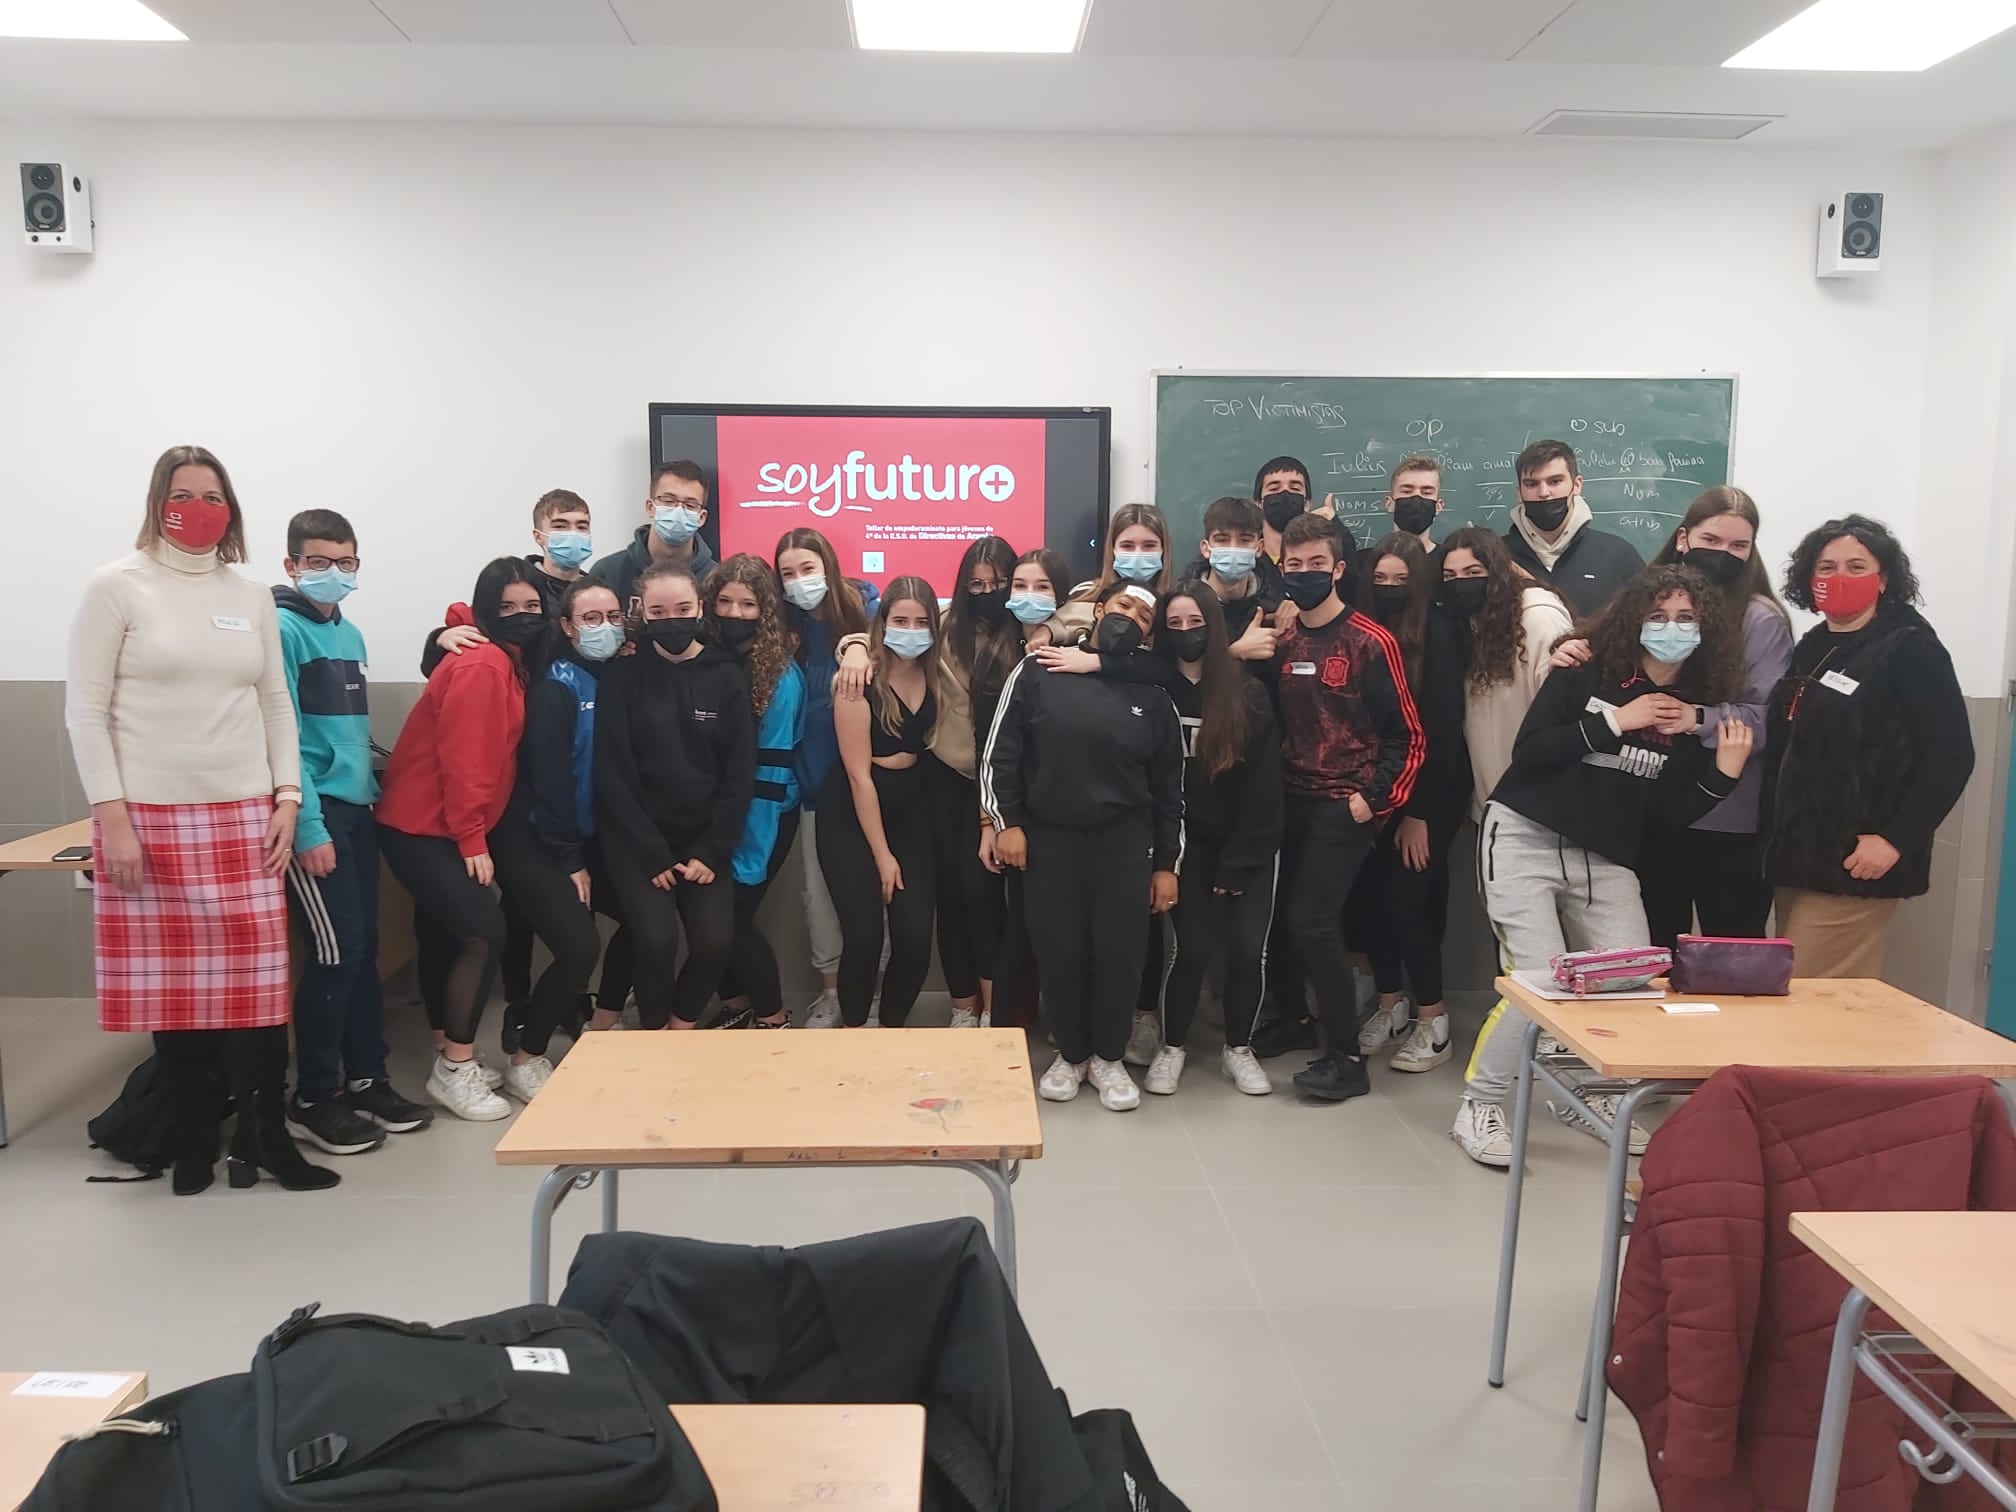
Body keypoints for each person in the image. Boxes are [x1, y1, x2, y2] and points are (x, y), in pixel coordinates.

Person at [66, 445, 335, 1194]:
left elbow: (274, 701)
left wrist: (287, 797)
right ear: (159, 503)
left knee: (257, 993)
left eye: (213, 496)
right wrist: (112, 820)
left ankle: (265, 1138)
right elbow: (85, 711)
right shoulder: (115, 587)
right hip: (148, 820)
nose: (199, 508)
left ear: (231, 508)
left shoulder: (248, 594)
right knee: (176, 996)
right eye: (183, 494)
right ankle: (191, 1141)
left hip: (245, 815)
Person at [1454, 565, 1755, 1166]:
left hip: (1606, 857)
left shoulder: (1691, 711)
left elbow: (1665, 816)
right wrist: (1618, 720)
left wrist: (1723, 775)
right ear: (1634, 619)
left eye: (1686, 618)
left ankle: (1588, 1095)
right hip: (1524, 836)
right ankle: (1480, 1103)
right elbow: (1531, 753)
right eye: (1659, 616)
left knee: (1629, 980)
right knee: (1536, 984)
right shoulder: (1583, 669)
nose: (1671, 628)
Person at [1553, 486, 1794, 944]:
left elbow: (1768, 720)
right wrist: (1569, 649)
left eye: (1738, 545)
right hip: (1647, 806)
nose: (1723, 554)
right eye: (1711, 540)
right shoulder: (1649, 597)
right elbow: (1601, 648)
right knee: (1651, 949)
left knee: (1732, 950)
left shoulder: (1760, 620)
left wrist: (1697, 718)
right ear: (1684, 538)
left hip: (1727, 818)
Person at [983, 581, 1185, 1111]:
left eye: (1144, 617)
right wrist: (1006, 822)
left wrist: (1167, 864)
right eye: (1123, 606)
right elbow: (1001, 754)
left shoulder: (1154, 695)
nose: (1130, 618)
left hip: (1125, 844)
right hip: (1049, 839)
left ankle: (1109, 1057)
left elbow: (1170, 792)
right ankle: (1071, 1054)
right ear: (1098, 610)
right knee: (1059, 950)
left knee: (1120, 954)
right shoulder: (1038, 669)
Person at [273, 509, 432, 1158]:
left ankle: (368, 1080)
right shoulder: (279, 630)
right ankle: (313, 1098)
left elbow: (347, 736)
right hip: (315, 818)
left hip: (357, 811)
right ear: (292, 565)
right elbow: (282, 740)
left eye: (345, 562)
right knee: (334, 954)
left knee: (365, 953)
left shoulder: (350, 634)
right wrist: (309, 826)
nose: (333, 573)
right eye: (319, 562)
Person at [421, 486, 601, 1055]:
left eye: (582, 524)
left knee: (572, 921)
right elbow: (464, 635)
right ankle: (519, 1013)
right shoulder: (515, 586)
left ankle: (564, 1006)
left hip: (569, 786)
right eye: (561, 524)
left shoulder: (599, 587)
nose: (572, 535)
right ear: (539, 533)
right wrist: (438, 638)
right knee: (519, 917)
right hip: (513, 797)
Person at [1263, 512, 1426, 1105]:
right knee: (1282, 920)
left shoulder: (1370, 641)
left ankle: (1347, 1057)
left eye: (1316, 564)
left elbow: (1409, 737)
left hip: (1345, 805)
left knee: (1313, 921)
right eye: (1294, 564)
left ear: (1337, 569)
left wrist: (1372, 801)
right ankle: (1294, 1020)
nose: (1304, 573)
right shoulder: (1284, 641)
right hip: (1290, 799)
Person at [1762, 516, 1972, 977]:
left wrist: (1896, 839)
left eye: (1856, 566)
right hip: (1799, 858)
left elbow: (1952, 756)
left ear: (1884, 579)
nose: (1839, 577)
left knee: (1810, 987)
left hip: (1856, 862)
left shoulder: (1910, 648)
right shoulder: (1815, 645)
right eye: (1827, 567)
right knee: (1805, 992)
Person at [377, 557, 544, 1121]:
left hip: (435, 822)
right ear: (485, 611)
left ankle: (449, 1049)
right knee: (483, 932)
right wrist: (473, 838)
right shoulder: (485, 664)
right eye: (507, 607)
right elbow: (466, 759)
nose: (522, 616)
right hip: (425, 825)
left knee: (443, 933)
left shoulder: (504, 657)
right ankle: (455, 1066)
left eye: (531, 606)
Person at [594, 562, 754, 1028]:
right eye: (659, 612)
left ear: (700, 608)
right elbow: (612, 773)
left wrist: (713, 849)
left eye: (683, 609)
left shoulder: (726, 675)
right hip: (639, 842)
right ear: (642, 613)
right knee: (655, 939)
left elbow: (739, 773)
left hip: (705, 841)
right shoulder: (622, 675)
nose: (672, 620)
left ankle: (680, 1026)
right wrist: (651, 852)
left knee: (715, 942)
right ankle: (653, 1032)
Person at [1149, 583, 1281, 1096]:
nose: (1186, 633)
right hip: (1185, 846)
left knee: (1248, 951)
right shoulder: (1154, 689)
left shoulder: (1248, 693)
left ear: (1214, 626)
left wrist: (1240, 861)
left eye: (1196, 623)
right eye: (1175, 624)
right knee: (1192, 949)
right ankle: (1172, 1047)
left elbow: (1264, 787)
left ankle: (1238, 1049)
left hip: (1247, 845)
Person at [1347, 532, 1472, 1073]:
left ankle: (1433, 1019)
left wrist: (1418, 812)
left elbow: (1441, 729)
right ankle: (1390, 1003)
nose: (1390, 587)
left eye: (1401, 579)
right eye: (1380, 579)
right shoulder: (1363, 631)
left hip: (1430, 791)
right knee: (1369, 898)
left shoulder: (1440, 633)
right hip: (1377, 787)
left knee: (1409, 900)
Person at [516, 575, 635, 1054]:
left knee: (646, 919)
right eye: (591, 618)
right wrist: (569, 858)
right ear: (567, 626)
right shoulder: (556, 687)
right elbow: (551, 780)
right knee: (579, 949)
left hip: (594, 837)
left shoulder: (616, 675)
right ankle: (528, 1054)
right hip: (547, 842)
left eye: (613, 617)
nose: (604, 627)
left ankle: (602, 1023)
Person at [817, 578, 942, 1029]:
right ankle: (856, 1032)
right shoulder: (858, 679)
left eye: (922, 622)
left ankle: (890, 1030)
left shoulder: (937, 670)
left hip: (911, 811)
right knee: (865, 938)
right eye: (900, 620)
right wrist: (883, 856)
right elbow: (858, 776)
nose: (911, 630)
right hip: (851, 815)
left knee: (915, 940)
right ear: (883, 622)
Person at [776, 528, 880, 1027]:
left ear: (829, 567)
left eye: (808, 568)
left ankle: (871, 994)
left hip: (871, 787)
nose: (799, 581)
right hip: (814, 786)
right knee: (819, 900)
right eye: (788, 573)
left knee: (875, 897)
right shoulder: (784, 628)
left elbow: (900, 640)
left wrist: (860, 643)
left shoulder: (865, 611)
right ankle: (833, 994)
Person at [707, 555, 806, 1030]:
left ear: (765, 610)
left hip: (765, 814)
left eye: (748, 604)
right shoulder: (708, 659)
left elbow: (772, 768)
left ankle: (772, 1016)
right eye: (724, 601)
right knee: (708, 917)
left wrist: (751, 851)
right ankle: (735, 1003)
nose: (734, 613)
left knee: (730, 917)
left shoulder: (781, 676)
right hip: (713, 815)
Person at [1436, 527, 1574, 822]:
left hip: (1538, 805)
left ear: (1497, 571)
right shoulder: (1470, 623)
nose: (1461, 583)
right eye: (1450, 576)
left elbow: (1562, 713)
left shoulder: (1538, 617)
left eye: (1473, 572)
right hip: (1491, 802)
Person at [1499, 439, 1642, 617]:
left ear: (1577, 485)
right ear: (1519, 492)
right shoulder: (1496, 558)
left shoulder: (1618, 556)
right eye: (1531, 484)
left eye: (1555, 481)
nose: (1543, 493)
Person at [590, 460, 720, 611]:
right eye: (669, 501)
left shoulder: (716, 580)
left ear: (701, 517)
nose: (678, 510)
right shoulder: (608, 572)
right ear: (650, 507)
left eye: (690, 505)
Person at [1178, 495, 1283, 661]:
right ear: (1206, 548)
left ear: (1259, 548)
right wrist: (1235, 653)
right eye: (1222, 539)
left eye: (1245, 540)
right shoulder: (1182, 605)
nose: (1233, 548)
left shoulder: (1273, 608)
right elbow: (1180, 671)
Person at [1057, 503, 1176, 641]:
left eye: (1149, 545)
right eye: (1127, 546)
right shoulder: (1084, 592)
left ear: (1163, 550)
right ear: (1112, 549)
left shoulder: (1175, 604)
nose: (1137, 554)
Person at [1384, 455, 1446, 548]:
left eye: (1426, 492)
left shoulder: (1449, 557)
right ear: (1389, 503)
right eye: (1407, 491)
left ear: (1438, 506)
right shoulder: (1367, 557)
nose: (1416, 496)